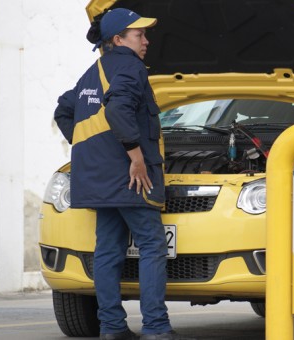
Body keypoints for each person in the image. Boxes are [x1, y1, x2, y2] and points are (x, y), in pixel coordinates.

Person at [54, 8, 193, 340]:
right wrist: (135, 157)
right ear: (118, 40)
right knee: (151, 245)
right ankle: (156, 327)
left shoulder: (93, 72)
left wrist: (90, 147)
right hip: (131, 178)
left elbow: (63, 109)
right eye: (139, 35)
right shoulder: (130, 66)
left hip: (99, 180)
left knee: (107, 250)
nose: (146, 41)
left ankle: (112, 327)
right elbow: (117, 109)